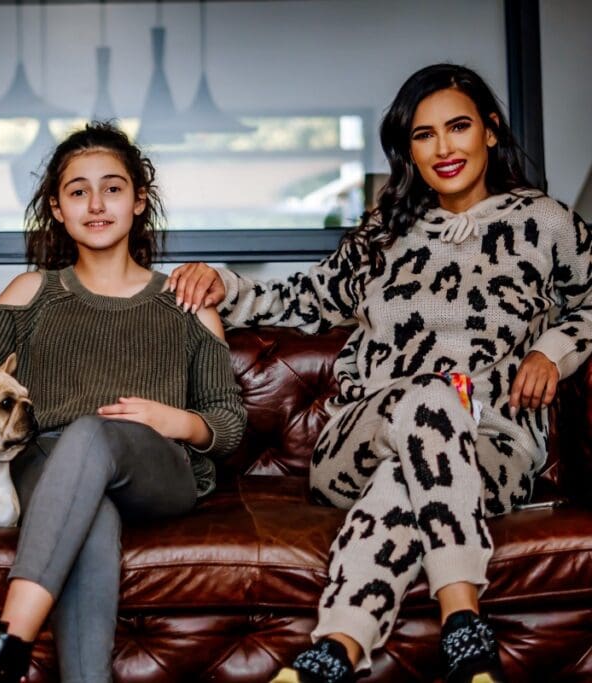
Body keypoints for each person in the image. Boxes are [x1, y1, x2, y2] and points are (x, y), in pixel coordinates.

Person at [170, 63, 592, 683]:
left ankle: (333, 651)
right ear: (409, 150)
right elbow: (303, 300)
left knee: (411, 471)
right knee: (428, 396)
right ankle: (463, 623)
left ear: (491, 131)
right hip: (358, 441)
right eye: (424, 136)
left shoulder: (544, 223)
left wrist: (550, 351)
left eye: (458, 127)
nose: (444, 148)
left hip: (491, 448)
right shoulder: (385, 231)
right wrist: (222, 283)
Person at [0, 122, 246, 683]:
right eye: (78, 191)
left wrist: (174, 420)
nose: (96, 204)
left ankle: (6, 649)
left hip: (155, 464)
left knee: (91, 433)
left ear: (139, 201)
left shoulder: (187, 305)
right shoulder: (30, 293)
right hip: (45, 463)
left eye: (113, 188)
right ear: (57, 207)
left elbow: (230, 425)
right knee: (89, 506)